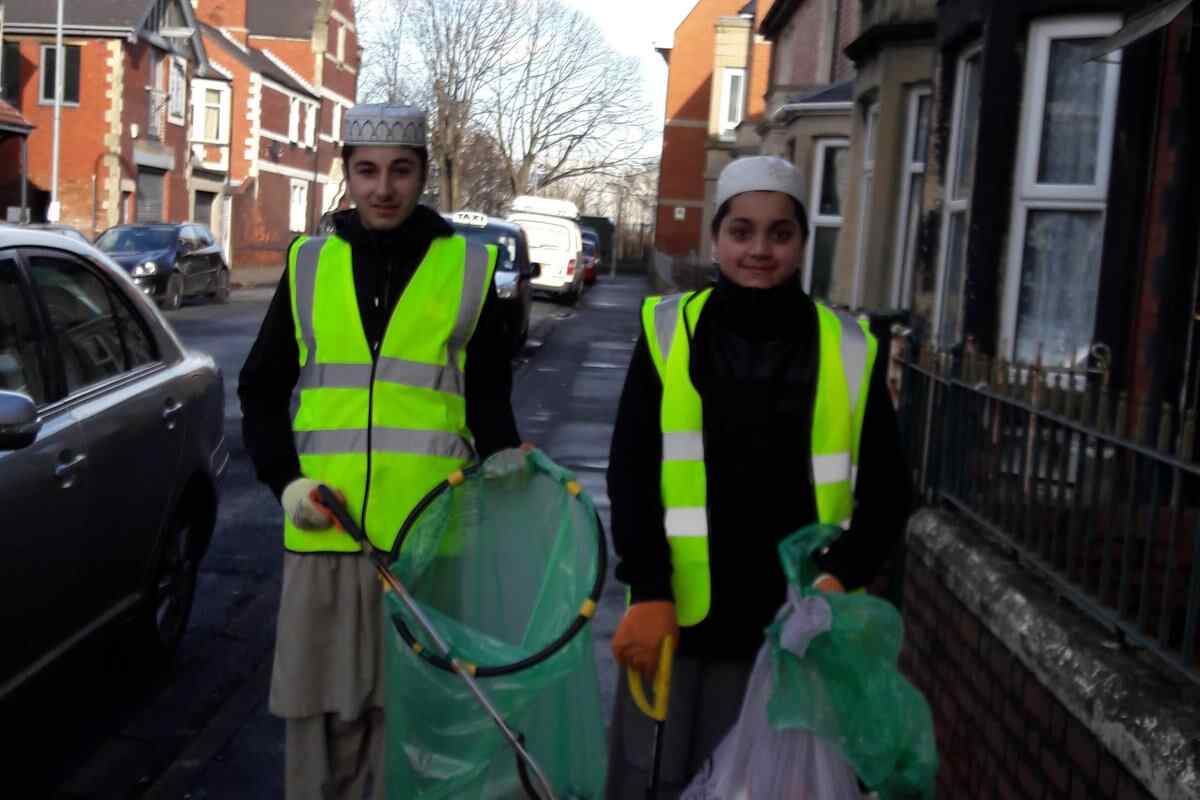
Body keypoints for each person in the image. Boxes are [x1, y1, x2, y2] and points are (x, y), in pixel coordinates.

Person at [238, 103, 520, 800]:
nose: (383, 188)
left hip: (429, 545)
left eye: (399, 171)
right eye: (367, 171)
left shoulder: (471, 270)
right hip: (324, 533)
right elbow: (259, 389)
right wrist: (285, 483)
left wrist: (511, 463)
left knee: (415, 725)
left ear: (423, 174)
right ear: (347, 175)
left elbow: (488, 404)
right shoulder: (308, 266)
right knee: (319, 724)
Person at [604, 155, 911, 797]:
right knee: (660, 781)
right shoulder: (667, 332)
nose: (759, 249)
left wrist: (841, 576)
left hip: (798, 635)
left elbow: (888, 491)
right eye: (741, 231)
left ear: (802, 242)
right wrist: (650, 585)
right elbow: (632, 470)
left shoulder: (851, 347)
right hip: (682, 625)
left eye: (780, 233)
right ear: (716, 237)